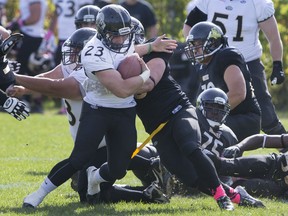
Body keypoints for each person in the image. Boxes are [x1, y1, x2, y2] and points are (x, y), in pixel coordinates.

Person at [18, 4, 164, 208]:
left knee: (119, 169)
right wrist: (144, 76)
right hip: (98, 110)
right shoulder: (91, 52)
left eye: (125, 34)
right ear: (102, 32)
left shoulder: (123, 39)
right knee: (78, 160)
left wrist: (151, 46)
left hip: (124, 112)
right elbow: (121, 89)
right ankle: (37, 195)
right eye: (116, 35)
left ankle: (96, 178)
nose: (121, 40)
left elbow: (128, 49)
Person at [128, 36, 265, 210]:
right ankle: (235, 194)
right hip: (157, 130)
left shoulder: (155, 50)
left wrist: (125, 86)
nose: (119, 41)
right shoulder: (113, 64)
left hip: (178, 111)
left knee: (190, 147)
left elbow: (147, 84)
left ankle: (222, 198)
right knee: (187, 175)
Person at [182, 0, 286, 135]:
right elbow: (189, 27)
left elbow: (273, 36)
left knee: (266, 117)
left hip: (248, 61)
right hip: (213, 59)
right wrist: (199, 52)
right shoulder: (208, 2)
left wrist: (277, 63)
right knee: (208, 105)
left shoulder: (257, 3)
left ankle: (284, 148)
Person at [184, 21, 261, 142]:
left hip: (244, 118)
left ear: (212, 43)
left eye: (198, 44)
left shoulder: (225, 57)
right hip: (225, 117)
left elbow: (238, 93)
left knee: (197, 130)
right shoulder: (203, 67)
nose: (194, 50)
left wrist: (208, 118)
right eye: (193, 45)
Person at [5, 0, 48, 114]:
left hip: (31, 36)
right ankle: (34, 102)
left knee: (24, 71)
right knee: (28, 70)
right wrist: (16, 22)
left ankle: (27, 101)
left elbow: (35, 17)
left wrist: (18, 24)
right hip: (30, 35)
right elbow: (25, 15)